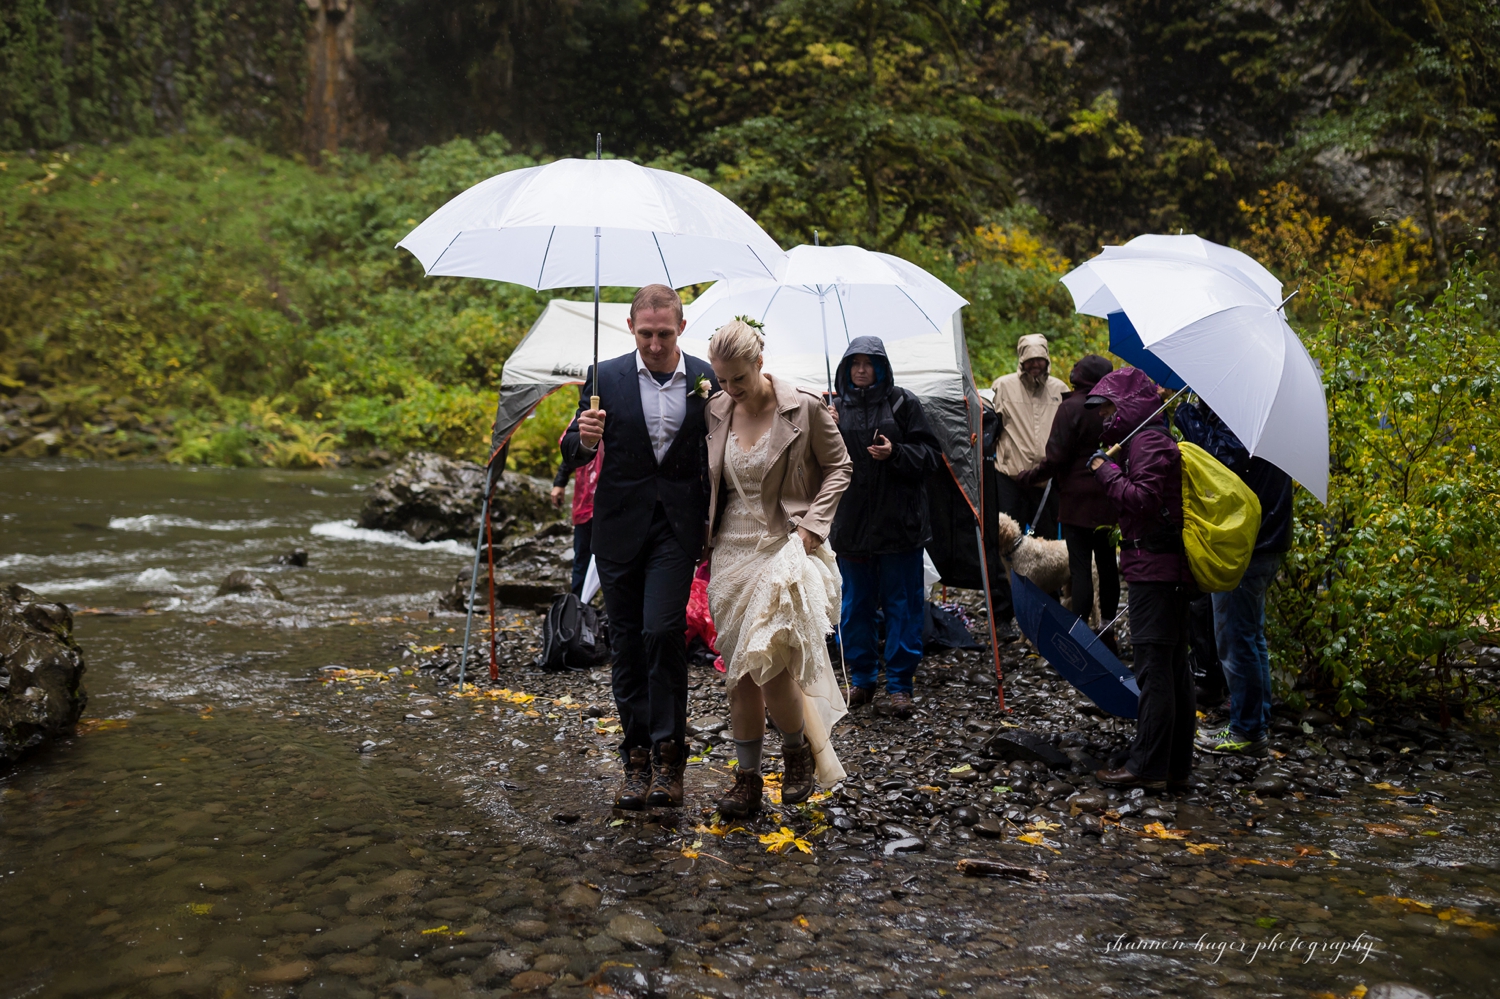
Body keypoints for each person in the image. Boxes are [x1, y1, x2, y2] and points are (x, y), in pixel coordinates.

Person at [560, 284, 717, 811]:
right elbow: (573, 454)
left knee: (662, 631)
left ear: (681, 329)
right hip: (619, 527)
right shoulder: (604, 377)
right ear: (631, 328)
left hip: (677, 526)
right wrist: (584, 437)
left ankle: (671, 754)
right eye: (646, 333)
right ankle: (636, 760)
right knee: (626, 642)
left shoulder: (705, 378)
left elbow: (733, 436)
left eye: (664, 334)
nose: (654, 343)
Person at [703, 320, 852, 817]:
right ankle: (746, 779)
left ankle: (795, 756)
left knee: (769, 664)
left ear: (759, 364)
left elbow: (841, 467)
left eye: (738, 379)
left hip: (783, 545)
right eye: (722, 380)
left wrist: (814, 526)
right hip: (728, 552)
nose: (730, 390)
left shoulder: (804, 407)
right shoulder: (714, 409)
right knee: (738, 674)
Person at [1085, 367, 1196, 792]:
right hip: (1165, 569)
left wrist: (1104, 471)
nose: (1103, 418)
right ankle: (1174, 765)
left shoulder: (1149, 441)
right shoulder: (1146, 439)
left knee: (1155, 669)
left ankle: (1148, 766)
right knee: (1172, 666)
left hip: (1156, 570)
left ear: (1126, 405)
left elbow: (1144, 501)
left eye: (1107, 408)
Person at [827, 336, 942, 718]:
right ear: (846, 368)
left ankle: (900, 686)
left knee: (902, 607)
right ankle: (861, 680)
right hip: (852, 527)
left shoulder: (903, 403)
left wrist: (896, 453)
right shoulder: (834, 409)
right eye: (855, 363)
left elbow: (931, 458)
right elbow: (814, 463)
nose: (861, 369)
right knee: (854, 608)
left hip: (900, 527)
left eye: (869, 363)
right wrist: (823, 428)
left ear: (881, 366)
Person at [1176, 399, 1294, 758]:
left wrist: (1188, 417)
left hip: (1247, 543)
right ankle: (1255, 718)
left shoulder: (1243, 413)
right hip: (1264, 539)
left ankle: (1247, 729)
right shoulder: (1262, 411)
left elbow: (1220, 462)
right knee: (1249, 635)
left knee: (1236, 638)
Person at [1014, 354, 1120, 648]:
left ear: (1080, 376)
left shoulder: (1071, 407)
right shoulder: (1113, 409)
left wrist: (1028, 477)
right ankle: (1107, 629)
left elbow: (1055, 458)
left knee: (1080, 567)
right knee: (1108, 567)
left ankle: (1080, 634)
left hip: (1075, 500)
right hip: (1110, 494)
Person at [989, 334, 1067, 627]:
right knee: (1007, 546)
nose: (1036, 365)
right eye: (1030, 360)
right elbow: (989, 426)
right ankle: (1007, 610)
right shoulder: (1003, 386)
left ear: (1047, 360)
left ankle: (1049, 606)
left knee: (1047, 546)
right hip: (1010, 476)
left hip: (1046, 481)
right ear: (1022, 361)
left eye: (1040, 360)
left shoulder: (1059, 389)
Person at [551, 438, 601, 597]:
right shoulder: (585, 416)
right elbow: (571, 451)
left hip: (616, 502)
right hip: (585, 500)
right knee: (582, 555)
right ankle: (578, 606)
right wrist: (560, 482)